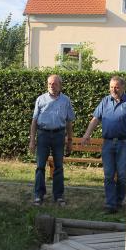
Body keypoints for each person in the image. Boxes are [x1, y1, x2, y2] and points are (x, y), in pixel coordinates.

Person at [80, 76, 126, 214]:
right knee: (109, 174)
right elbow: (95, 119)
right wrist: (87, 134)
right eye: (111, 87)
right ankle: (110, 204)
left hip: (124, 143)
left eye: (116, 87)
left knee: (122, 175)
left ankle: (119, 201)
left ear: (123, 87)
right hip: (108, 143)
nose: (113, 90)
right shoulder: (105, 101)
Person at [29, 74, 75, 206]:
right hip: (43, 135)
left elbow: (69, 121)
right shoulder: (40, 99)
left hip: (59, 135)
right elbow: (34, 121)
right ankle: (38, 195)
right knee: (40, 166)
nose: (52, 86)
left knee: (59, 167)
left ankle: (59, 196)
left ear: (60, 85)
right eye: (49, 84)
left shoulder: (66, 100)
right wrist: (32, 140)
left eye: (54, 84)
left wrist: (70, 140)